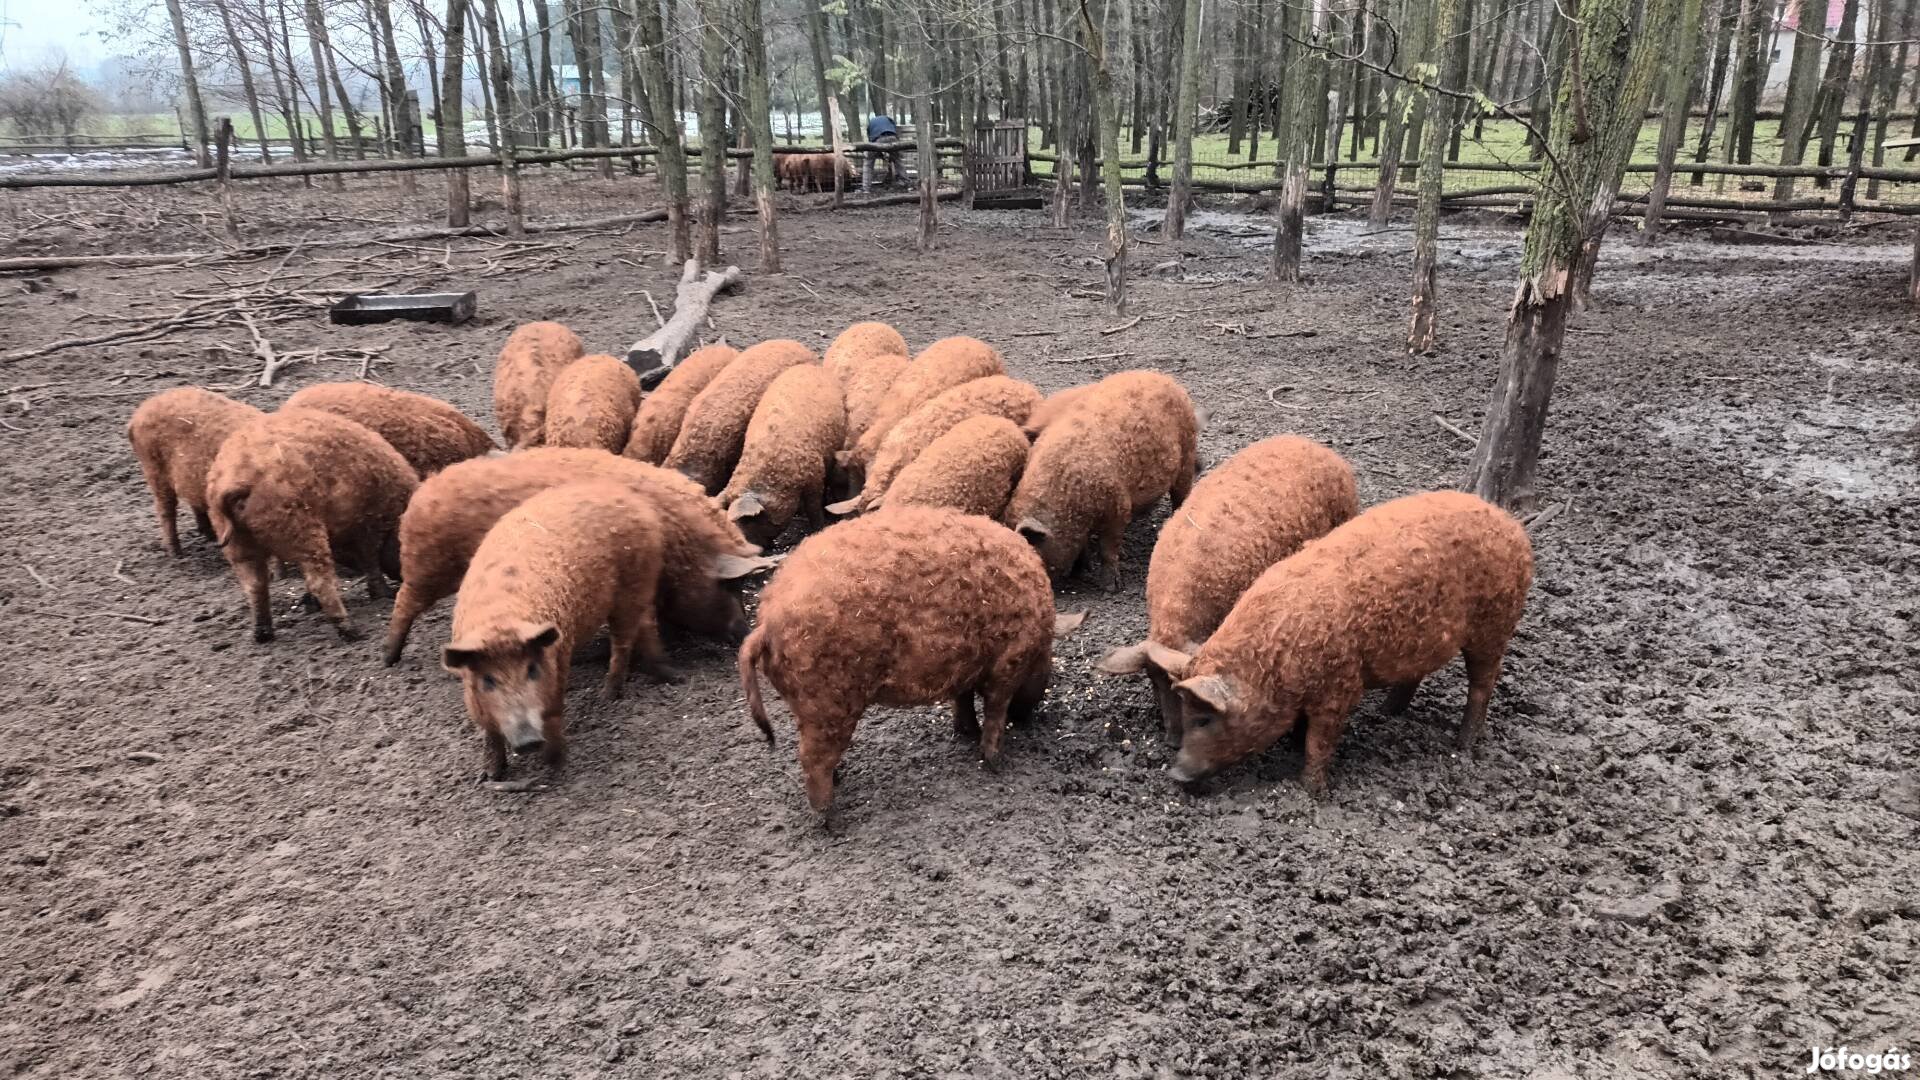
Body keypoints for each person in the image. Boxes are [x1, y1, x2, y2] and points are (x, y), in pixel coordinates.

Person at [863, 113, 907, 192]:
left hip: (878, 139)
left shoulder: (871, 123)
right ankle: (905, 182)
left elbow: (871, 140)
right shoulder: (889, 120)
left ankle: (866, 188)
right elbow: (895, 131)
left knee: (868, 163)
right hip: (892, 138)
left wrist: (878, 153)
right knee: (898, 160)